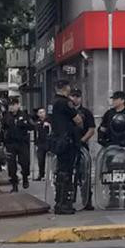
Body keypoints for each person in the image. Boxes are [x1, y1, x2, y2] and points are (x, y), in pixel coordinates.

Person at [48, 80, 83, 214]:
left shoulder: (52, 102)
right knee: (66, 172)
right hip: (67, 140)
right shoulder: (65, 102)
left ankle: (59, 201)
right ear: (65, 88)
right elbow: (78, 120)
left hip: (57, 140)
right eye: (68, 87)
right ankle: (64, 203)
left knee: (61, 171)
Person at [70, 89, 97, 211]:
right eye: (73, 96)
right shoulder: (67, 111)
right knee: (70, 175)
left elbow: (91, 129)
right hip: (69, 146)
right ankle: (70, 200)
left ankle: (87, 200)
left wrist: (82, 141)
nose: (75, 99)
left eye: (77, 96)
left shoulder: (86, 112)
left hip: (82, 146)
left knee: (84, 174)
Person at [1, 97, 34, 193]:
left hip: (22, 143)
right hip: (10, 143)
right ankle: (14, 184)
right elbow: (2, 130)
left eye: (14, 105)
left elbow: (32, 126)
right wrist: (1, 142)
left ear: (18, 105)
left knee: (25, 162)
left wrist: (24, 124)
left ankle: (25, 177)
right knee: (11, 165)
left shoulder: (24, 115)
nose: (12, 107)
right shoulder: (6, 116)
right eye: (10, 105)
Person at [33, 107, 51, 180]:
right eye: (40, 112)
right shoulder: (37, 122)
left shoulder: (49, 120)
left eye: (43, 112)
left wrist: (49, 125)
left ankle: (50, 175)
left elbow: (52, 130)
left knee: (50, 159)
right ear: (37, 114)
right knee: (40, 160)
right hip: (40, 143)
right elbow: (35, 132)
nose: (42, 114)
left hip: (48, 142)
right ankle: (41, 174)